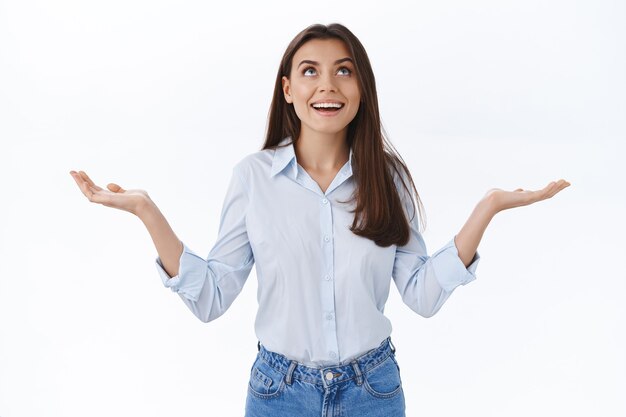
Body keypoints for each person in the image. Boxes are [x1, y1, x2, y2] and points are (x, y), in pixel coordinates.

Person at [70, 22, 570, 417]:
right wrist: (145, 211)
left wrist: (488, 208)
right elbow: (212, 296)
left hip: (372, 391)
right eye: (310, 71)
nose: (327, 85)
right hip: (278, 393)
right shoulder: (253, 178)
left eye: (344, 71)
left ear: (361, 88)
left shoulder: (386, 178)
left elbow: (421, 293)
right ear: (287, 89)